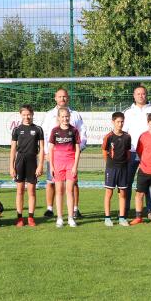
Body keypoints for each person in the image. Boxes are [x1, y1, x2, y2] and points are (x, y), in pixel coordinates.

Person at [41, 88, 85, 219]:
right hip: (54, 156)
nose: (62, 99)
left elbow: (82, 133)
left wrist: (78, 149)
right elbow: (44, 134)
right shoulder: (49, 115)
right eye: (59, 97)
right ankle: (50, 209)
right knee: (51, 181)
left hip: (70, 156)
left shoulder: (75, 114)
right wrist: (46, 152)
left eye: (64, 96)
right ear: (55, 98)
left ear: (68, 98)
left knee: (73, 183)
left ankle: (75, 209)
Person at [123, 85, 151, 218]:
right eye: (138, 94)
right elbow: (123, 133)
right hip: (131, 152)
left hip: (150, 154)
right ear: (133, 96)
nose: (141, 96)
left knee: (150, 183)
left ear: (146, 95)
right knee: (127, 182)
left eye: (143, 94)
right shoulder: (128, 112)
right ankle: (125, 209)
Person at [10, 104, 44, 227]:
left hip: (32, 162)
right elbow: (13, 149)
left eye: (29, 114)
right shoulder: (17, 130)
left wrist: (40, 165)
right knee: (19, 191)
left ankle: (30, 217)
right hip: (20, 161)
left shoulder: (38, 129)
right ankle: (19, 217)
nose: (27, 117)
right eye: (24, 114)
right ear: (21, 115)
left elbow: (42, 148)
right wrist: (11, 166)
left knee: (32, 191)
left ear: (32, 114)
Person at [48, 107, 81, 228]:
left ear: (69, 117)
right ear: (58, 118)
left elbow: (77, 150)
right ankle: (60, 218)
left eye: (67, 116)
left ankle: (71, 218)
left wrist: (75, 166)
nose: (65, 118)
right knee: (59, 191)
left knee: (69, 191)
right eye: (62, 116)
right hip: (57, 165)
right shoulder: (54, 131)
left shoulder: (74, 131)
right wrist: (51, 166)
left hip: (70, 164)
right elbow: (50, 149)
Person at [101, 112, 132, 227]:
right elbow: (104, 152)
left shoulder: (127, 137)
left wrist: (124, 163)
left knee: (123, 193)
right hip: (111, 169)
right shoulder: (108, 137)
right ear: (113, 122)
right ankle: (107, 217)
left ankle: (122, 217)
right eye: (118, 121)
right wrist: (110, 163)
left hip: (123, 168)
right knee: (109, 192)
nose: (120, 124)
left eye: (122, 121)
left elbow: (128, 153)